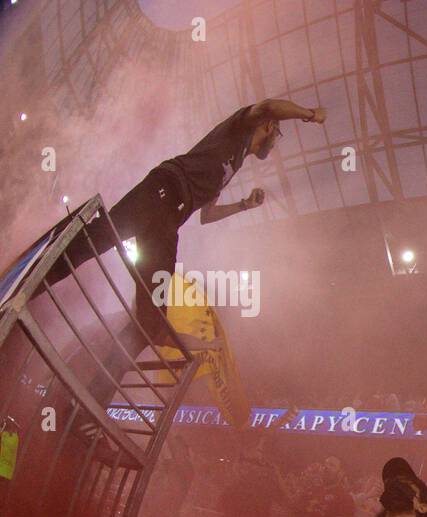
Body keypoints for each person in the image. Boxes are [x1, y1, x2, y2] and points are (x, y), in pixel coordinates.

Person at [45, 99, 326, 357]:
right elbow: (268, 106)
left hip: (165, 207)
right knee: (100, 248)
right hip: (165, 194)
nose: (276, 144)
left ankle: (98, 382)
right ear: (269, 127)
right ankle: (31, 277)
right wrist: (310, 115)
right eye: (277, 136)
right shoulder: (238, 128)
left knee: (139, 305)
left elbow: (208, 214)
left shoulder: (235, 163)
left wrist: (244, 205)